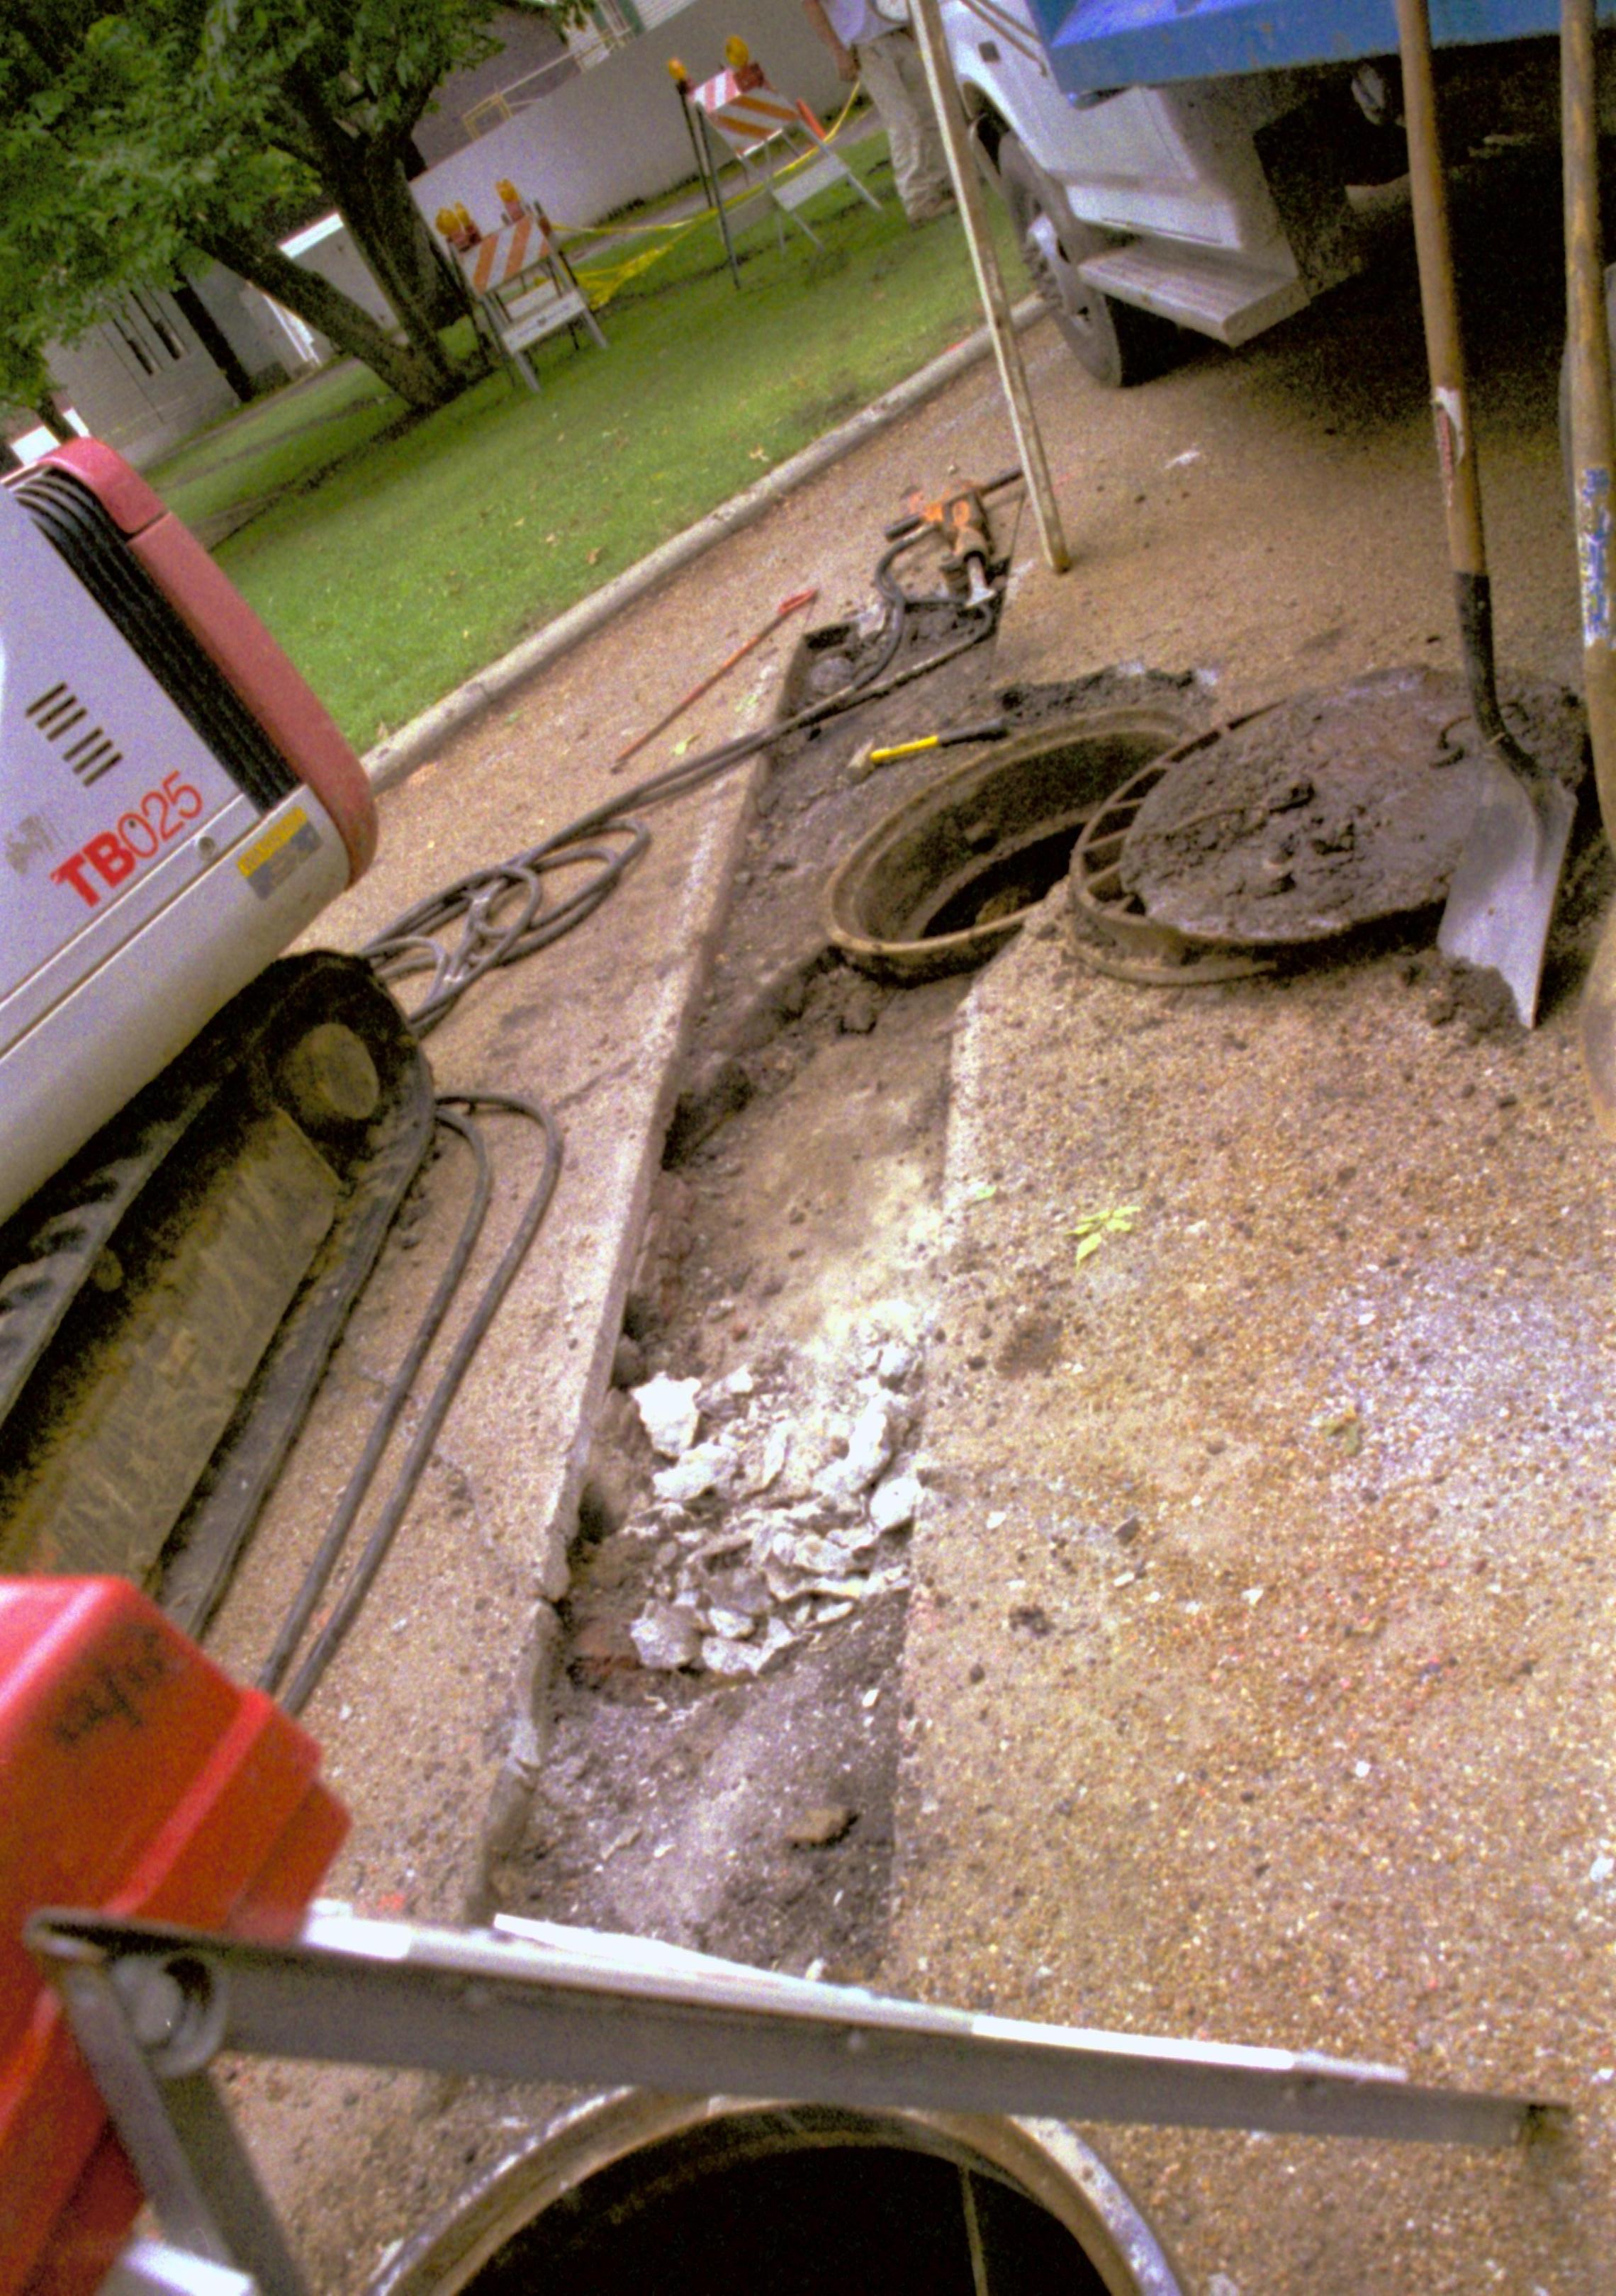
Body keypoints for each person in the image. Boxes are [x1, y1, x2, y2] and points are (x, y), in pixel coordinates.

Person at [801, 0, 954, 225]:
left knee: (928, 111)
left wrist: (909, 20)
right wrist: (838, 51)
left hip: (897, 30)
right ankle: (919, 200)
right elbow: (811, 5)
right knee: (904, 122)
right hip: (865, 43)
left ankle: (946, 182)